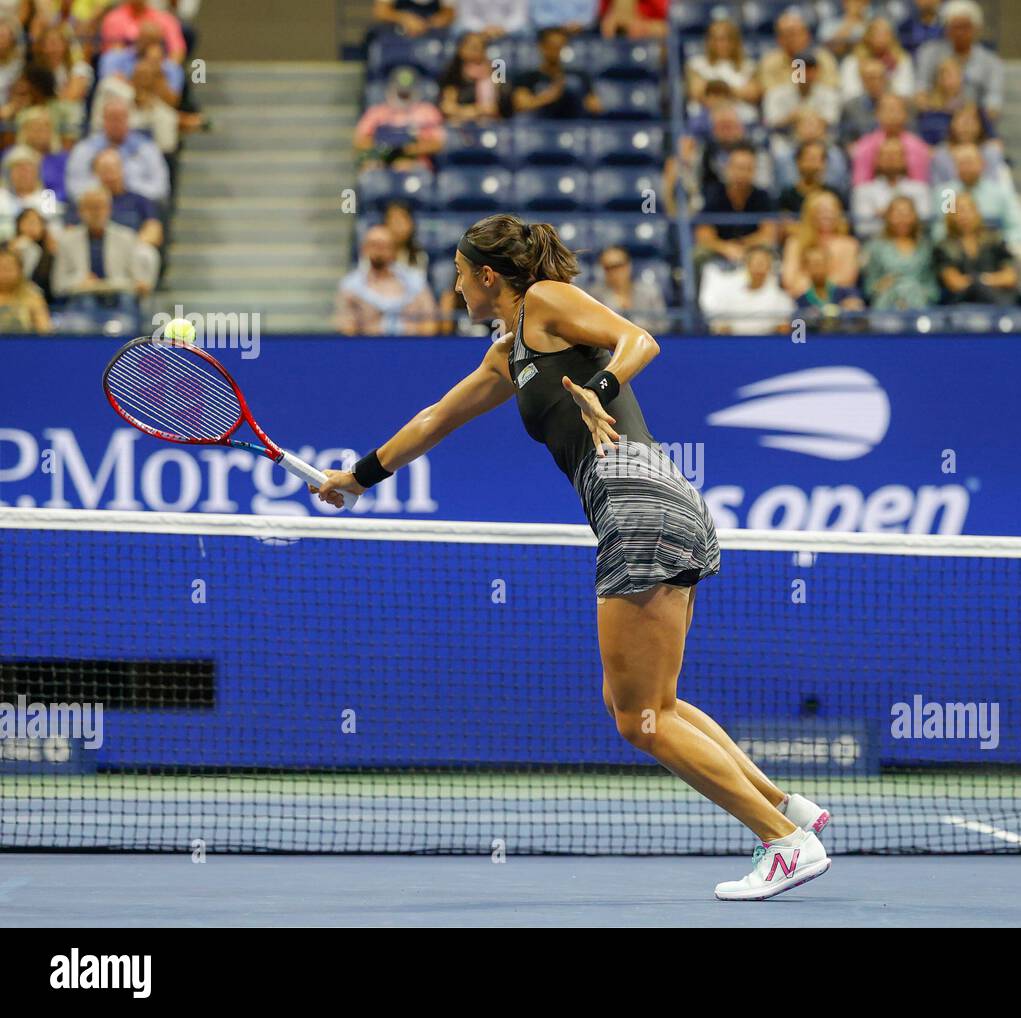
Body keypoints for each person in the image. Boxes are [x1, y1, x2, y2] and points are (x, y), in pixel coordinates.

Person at [314, 214, 831, 900]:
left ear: (488, 276)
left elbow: (637, 339)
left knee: (636, 718)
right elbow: (437, 416)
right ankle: (787, 808)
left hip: (635, 502)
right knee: (658, 703)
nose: (456, 289)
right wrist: (359, 475)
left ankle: (782, 842)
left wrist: (601, 390)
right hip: (661, 504)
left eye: (462, 276)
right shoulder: (507, 354)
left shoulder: (545, 302)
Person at [51, 185, 158, 299]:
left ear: (109, 209)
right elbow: (57, 285)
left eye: (100, 207)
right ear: (80, 211)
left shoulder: (127, 238)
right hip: (81, 300)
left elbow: (138, 281)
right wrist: (80, 281)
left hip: (120, 299)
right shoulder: (67, 240)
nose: (96, 213)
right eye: (91, 207)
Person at [335, 224, 437, 335]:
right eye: (374, 245)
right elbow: (346, 327)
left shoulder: (415, 281)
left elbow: (430, 320)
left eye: (384, 245)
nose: (379, 250)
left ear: (394, 250)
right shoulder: (351, 286)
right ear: (364, 249)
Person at [915, 0, 1004, 118]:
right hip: (936, 116)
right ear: (946, 28)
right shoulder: (929, 52)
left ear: (976, 29)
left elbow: (994, 101)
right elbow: (921, 90)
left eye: (966, 27)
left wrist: (971, 120)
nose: (960, 33)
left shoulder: (991, 62)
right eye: (955, 27)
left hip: (975, 123)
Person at [694, 143, 778, 264]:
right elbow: (703, 235)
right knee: (699, 254)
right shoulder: (714, 193)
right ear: (728, 168)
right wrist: (725, 248)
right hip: (720, 250)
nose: (742, 174)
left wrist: (742, 246)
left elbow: (768, 234)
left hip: (752, 250)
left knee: (769, 251)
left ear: (754, 171)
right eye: (738, 167)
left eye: (747, 169)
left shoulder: (762, 196)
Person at [934, 191, 1019, 305]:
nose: (964, 215)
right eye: (958, 211)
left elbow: (1010, 277)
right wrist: (988, 280)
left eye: (968, 209)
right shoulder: (944, 247)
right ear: (951, 216)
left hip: (995, 301)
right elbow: (954, 282)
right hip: (960, 303)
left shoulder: (994, 239)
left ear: (977, 212)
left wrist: (980, 280)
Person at [356, 65, 446, 170]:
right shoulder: (376, 112)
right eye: (400, 91)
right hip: (381, 158)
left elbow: (438, 143)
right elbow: (359, 141)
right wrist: (386, 149)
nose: (403, 94)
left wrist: (406, 150)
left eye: (407, 92)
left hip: (415, 160)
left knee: (404, 165)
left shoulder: (428, 111)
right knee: (368, 163)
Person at [698, 244, 795, 334]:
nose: (758, 266)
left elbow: (784, 331)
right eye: (755, 261)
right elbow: (720, 328)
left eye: (763, 262)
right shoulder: (728, 294)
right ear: (747, 265)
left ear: (770, 266)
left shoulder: (781, 299)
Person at [863, 194, 938, 309]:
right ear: (888, 217)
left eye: (907, 214)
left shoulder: (925, 246)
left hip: (918, 302)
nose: (902, 219)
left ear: (914, 217)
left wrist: (917, 292)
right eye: (897, 214)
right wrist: (879, 286)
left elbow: (932, 287)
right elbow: (868, 287)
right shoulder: (876, 247)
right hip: (887, 301)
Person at [781, 188, 859, 296]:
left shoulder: (849, 244)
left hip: (838, 298)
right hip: (801, 299)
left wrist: (815, 285)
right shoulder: (794, 243)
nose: (827, 215)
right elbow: (789, 280)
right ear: (810, 213)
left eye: (831, 211)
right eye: (821, 211)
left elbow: (847, 278)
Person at [511, 26, 601, 119]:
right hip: (538, 128)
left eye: (561, 46)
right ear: (541, 47)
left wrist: (579, 98)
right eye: (552, 46)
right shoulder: (527, 77)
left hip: (573, 127)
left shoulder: (579, 76)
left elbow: (595, 107)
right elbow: (521, 105)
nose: (556, 50)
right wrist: (550, 96)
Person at [852, 135, 932, 237]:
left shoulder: (920, 189)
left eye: (896, 154)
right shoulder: (863, 190)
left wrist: (884, 215)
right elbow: (863, 228)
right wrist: (904, 217)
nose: (891, 159)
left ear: (904, 159)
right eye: (886, 155)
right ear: (876, 160)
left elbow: (925, 224)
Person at [685, 18, 760, 123]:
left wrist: (717, 89)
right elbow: (697, 92)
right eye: (715, 39)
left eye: (725, 39)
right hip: (706, 122)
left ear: (735, 42)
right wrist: (733, 93)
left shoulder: (748, 66)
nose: (720, 44)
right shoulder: (696, 64)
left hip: (742, 122)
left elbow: (753, 93)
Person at [583, 244, 669, 335]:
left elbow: (663, 325)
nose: (614, 272)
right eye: (608, 268)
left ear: (628, 265)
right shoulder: (594, 296)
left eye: (618, 265)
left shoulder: (650, 292)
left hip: (648, 343)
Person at [850, 92, 931, 184]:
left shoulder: (918, 147)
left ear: (905, 114)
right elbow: (860, 185)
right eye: (887, 110)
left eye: (896, 110)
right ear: (877, 114)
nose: (892, 115)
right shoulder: (864, 146)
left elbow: (920, 185)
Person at [438, 32, 508, 124]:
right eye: (473, 47)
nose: (477, 51)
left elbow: (502, 104)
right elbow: (447, 108)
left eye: (481, 47)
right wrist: (476, 111)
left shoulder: (497, 70)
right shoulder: (453, 71)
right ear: (461, 49)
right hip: (464, 124)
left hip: (495, 123)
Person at [794, 244, 865, 329]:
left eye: (819, 263)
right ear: (805, 268)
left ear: (828, 264)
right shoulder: (800, 302)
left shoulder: (847, 293)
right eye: (812, 264)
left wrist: (854, 310)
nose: (816, 268)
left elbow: (862, 321)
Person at [8, 207, 56, 301]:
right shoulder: (7, 248)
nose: (31, 227)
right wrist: (13, 253)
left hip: (40, 299)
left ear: (43, 226)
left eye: (35, 223)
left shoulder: (50, 253)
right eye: (26, 222)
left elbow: (51, 286)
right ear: (18, 225)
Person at [0, 246, 52, 332]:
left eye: (9, 268)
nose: (5, 273)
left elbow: (45, 331)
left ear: (20, 270)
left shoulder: (33, 297)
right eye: (1, 268)